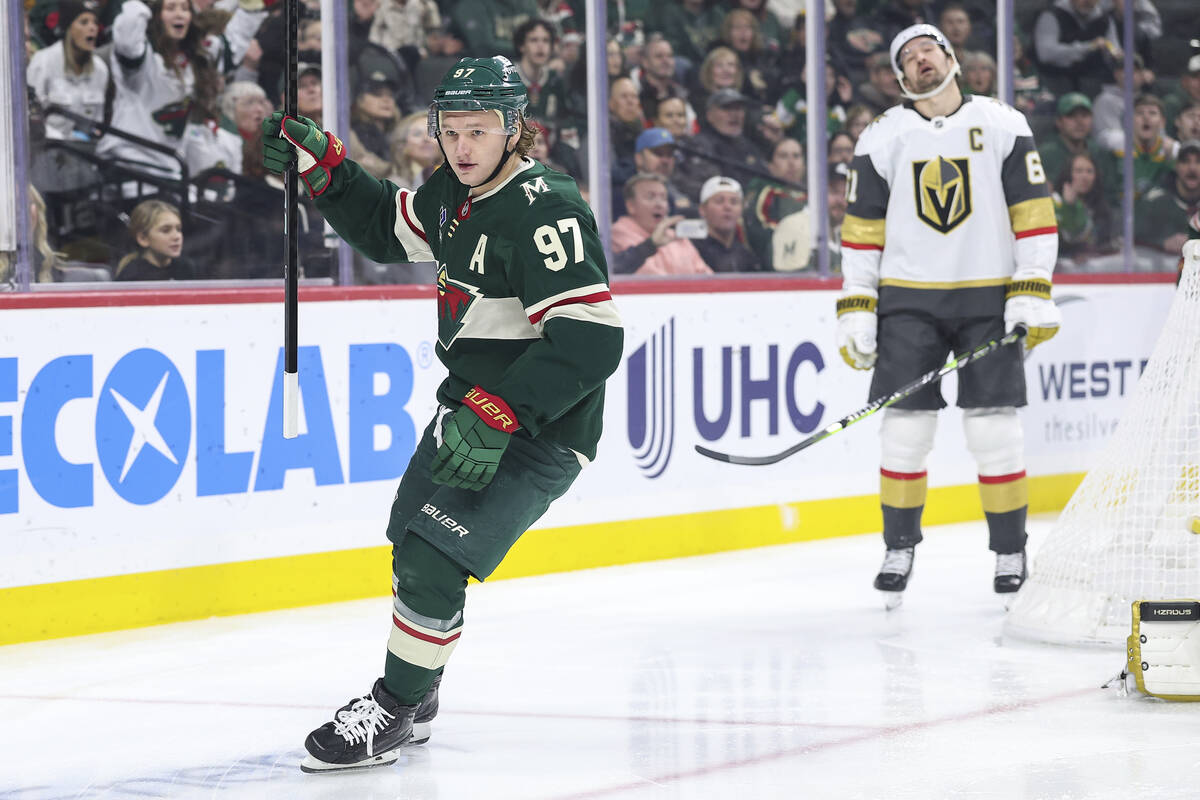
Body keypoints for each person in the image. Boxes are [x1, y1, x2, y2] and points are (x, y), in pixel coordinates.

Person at [262, 55, 623, 773]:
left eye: (479, 131)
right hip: (472, 409)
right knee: (409, 536)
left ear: (516, 130)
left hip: (538, 427)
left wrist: (500, 411)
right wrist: (326, 169)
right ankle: (420, 689)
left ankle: (393, 709)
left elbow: (592, 340)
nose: (461, 147)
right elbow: (388, 227)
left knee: (434, 556)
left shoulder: (543, 206)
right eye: (450, 131)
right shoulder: (456, 194)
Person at [837, 24, 1060, 602]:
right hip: (908, 300)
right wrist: (857, 307)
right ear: (899, 78)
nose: (920, 61)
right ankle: (898, 546)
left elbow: (1034, 215)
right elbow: (861, 235)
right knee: (904, 434)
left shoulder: (1003, 122)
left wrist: (1030, 288)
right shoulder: (880, 138)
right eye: (907, 58)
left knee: (995, 432)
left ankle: (1010, 551)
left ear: (952, 58)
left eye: (927, 51)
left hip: (988, 297)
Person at [98, 0, 223, 181]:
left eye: (184, 9)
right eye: (170, 8)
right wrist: (141, 6)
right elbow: (127, 41)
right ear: (156, 15)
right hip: (130, 163)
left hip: (169, 167)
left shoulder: (192, 63)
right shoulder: (144, 58)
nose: (179, 14)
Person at [26, 0, 110, 142]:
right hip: (48, 149)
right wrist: (65, 138)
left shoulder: (100, 70)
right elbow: (30, 118)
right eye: (84, 22)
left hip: (84, 152)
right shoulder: (43, 63)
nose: (92, 28)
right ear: (68, 28)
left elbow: (97, 124)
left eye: (95, 22)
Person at [611, 173, 711, 275]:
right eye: (650, 197)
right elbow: (651, 279)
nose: (660, 204)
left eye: (663, 198)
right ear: (630, 206)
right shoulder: (618, 233)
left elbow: (706, 275)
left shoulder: (675, 235)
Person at [744, 136, 808, 270]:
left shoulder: (816, 196)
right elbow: (761, 236)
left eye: (796, 156)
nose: (791, 162)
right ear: (770, 165)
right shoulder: (765, 192)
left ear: (804, 165)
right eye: (783, 156)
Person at [1032, 0, 1120, 97]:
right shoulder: (1051, 15)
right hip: (1056, 84)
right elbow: (1046, 54)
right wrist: (1088, 47)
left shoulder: (1105, 19)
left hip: (1093, 87)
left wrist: (1114, 54)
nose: (1087, 2)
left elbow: (1114, 49)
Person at [1134, 139, 1200, 261]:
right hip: (1159, 272)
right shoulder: (1155, 201)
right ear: (1176, 166)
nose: (1192, 168)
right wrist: (1161, 242)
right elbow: (1130, 233)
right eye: (1185, 161)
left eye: (1198, 162)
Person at [1053, 152, 1117, 269]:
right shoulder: (1054, 204)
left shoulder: (1102, 208)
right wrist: (1069, 206)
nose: (1084, 177)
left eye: (1089, 171)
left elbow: (1104, 243)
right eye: (1079, 171)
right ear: (1068, 175)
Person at [1037, 92, 1106, 193]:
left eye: (1085, 115)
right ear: (1059, 122)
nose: (1079, 121)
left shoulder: (1098, 152)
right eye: (1071, 116)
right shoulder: (1045, 154)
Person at [115, 199, 195, 281]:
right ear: (143, 238)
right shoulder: (131, 277)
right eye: (165, 230)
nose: (177, 237)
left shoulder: (186, 268)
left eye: (178, 229)